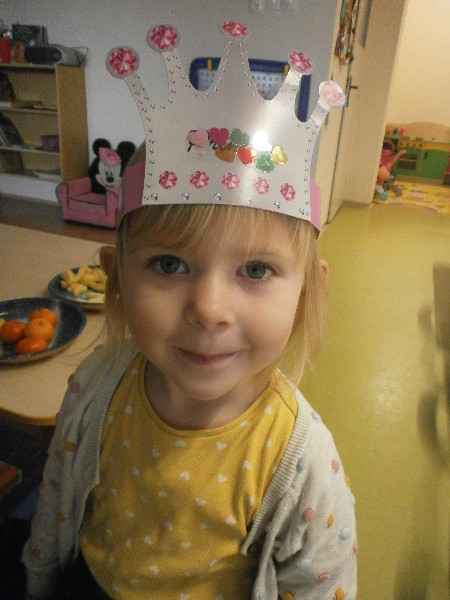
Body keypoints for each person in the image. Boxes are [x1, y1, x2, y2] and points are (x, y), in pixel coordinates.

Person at [23, 21, 357, 600]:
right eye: (170, 264)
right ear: (117, 278)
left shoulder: (302, 462)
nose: (208, 310)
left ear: (306, 292)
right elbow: (54, 501)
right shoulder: (94, 387)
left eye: (256, 270)